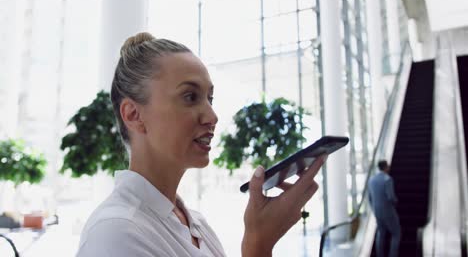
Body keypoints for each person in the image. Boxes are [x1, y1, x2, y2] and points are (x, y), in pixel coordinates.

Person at [75, 32, 327, 257]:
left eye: (209, 98)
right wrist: (258, 243)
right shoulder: (115, 233)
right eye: (190, 97)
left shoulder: (198, 226)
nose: (212, 116)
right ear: (133, 115)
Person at [368, 160, 401, 257]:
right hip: (388, 211)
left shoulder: (371, 180)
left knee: (381, 232)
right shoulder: (387, 179)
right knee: (396, 233)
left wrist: (374, 209)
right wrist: (396, 202)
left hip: (377, 211)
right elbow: (391, 197)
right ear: (386, 167)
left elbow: (370, 198)